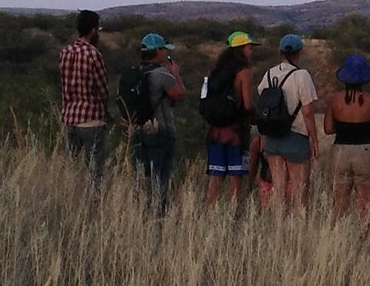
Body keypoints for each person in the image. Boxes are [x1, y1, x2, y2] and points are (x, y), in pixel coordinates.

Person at [255, 33, 320, 212]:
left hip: (272, 139)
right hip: (296, 139)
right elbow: (307, 112)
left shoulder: (269, 74)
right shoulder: (302, 75)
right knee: (300, 193)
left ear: (281, 52)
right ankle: (297, 233)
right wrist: (314, 140)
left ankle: (278, 231)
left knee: (278, 190)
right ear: (300, 52)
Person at [124, 32, 187, 210]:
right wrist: (176, 74)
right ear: (157, 51)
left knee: (141, 177)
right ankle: (158, 214)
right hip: (160, 132)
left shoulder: (135, 73)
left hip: (137, 131)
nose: (166, 53)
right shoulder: (161, 74)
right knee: (159, 178)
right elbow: (180, 94)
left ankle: (140, 213)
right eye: (164, 50)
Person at [198, 31, 258, 209]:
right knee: (235, 178)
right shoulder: (244, 72)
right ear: (240, 50)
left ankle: (209, 215)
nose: (251, 51)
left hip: (216, 131)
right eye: (248, 48)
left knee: (215, 178)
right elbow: (247, 105)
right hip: (236, 133)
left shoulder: (217, 71)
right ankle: (231, 217)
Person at [324, 53, 370, 221]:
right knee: (366, 204)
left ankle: (338, 239)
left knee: (339, 204)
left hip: (341, 151)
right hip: (365, 151)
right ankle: (365, 241)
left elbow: (328, 129)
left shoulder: (335, 100)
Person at [57, 9, 109, 177]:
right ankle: (94, 202)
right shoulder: (94, 54)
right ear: (93, 30)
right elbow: (102, 89)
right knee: (95, 172)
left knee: (71, 171)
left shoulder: (65, 52)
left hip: (70, 119)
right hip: (91, 120)